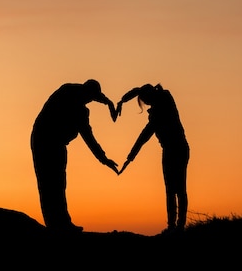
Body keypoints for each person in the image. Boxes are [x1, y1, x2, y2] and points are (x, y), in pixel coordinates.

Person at [30, 79, 119, 233]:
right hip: (45, 140)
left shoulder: (75, 97)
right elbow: (88, 137)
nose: (90, 101)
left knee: (57, 183)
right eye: (90, 98)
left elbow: (91, 96)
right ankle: (56, 225)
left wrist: (108, 102)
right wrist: (104, 159)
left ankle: (61, 223)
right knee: (49, 182)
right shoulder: (74, 102)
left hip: (52, 142)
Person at [116, 83, 190, 234]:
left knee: (179, 189)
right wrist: (123, 100)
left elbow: (143, 136)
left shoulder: (164, 101)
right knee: (171, 190)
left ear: (150, 96)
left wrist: (130, 158)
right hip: (170, 150)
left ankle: (179, 227)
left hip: (178, 148)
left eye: (146, 100)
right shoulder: (160, 104)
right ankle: (172, 226)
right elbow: (138, 90)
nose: (147, 104)